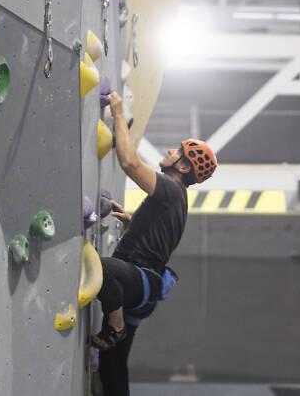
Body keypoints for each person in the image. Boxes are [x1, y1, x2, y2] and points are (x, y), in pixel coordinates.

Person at [91, 92, 217, 395]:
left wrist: (118, 113)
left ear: (184, 168)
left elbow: (130, 163)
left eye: (178, 152)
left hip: (139, 278)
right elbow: (161, 238)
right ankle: (116, 334)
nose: (171, 151)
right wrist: (134, 223)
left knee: (100, 269)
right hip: (145, 283)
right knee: (113, 369)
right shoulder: (176, 199)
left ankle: (116, 327)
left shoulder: (171, 189)